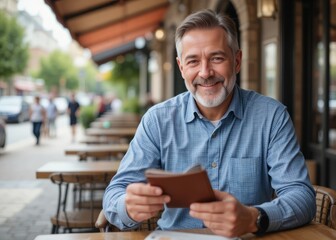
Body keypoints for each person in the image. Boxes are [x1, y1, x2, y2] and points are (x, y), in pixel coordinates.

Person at [103, 9, 315, 238]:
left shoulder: (271, 116)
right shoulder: (157, 120)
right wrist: (128, 207)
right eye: (193, 61)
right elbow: (115, 193)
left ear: (237, 61)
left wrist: (254, 217)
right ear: (181, 67)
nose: (205, 72)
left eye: (217, 58)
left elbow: (301, 196)